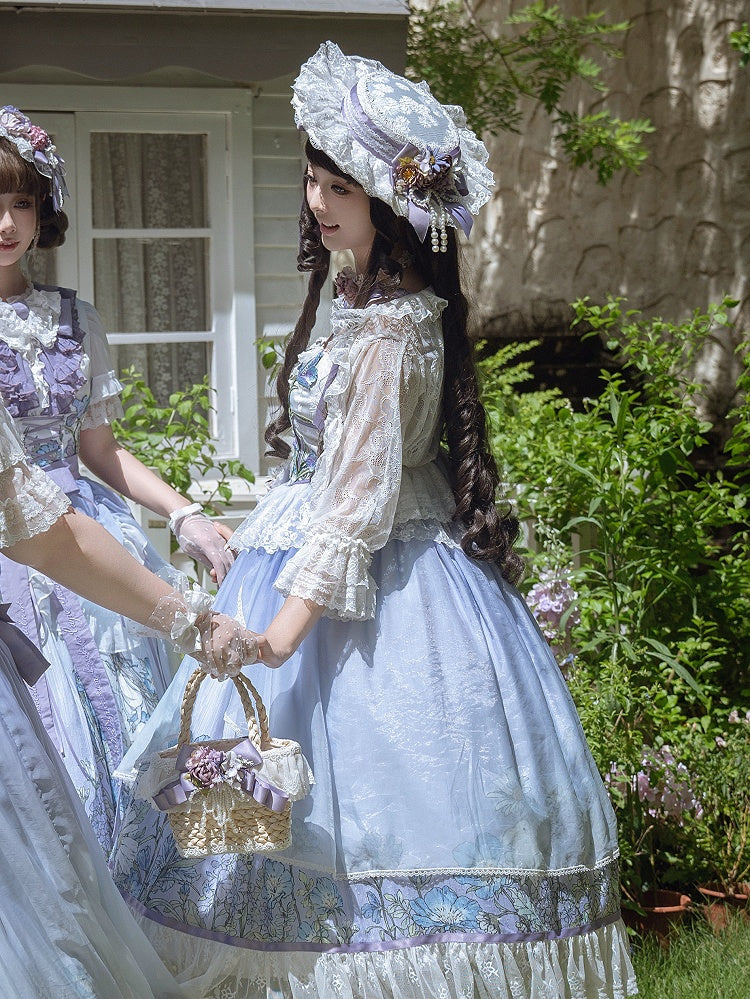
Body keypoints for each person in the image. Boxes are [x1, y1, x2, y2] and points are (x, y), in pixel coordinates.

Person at [110, 42, 638, 999]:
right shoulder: (353, 299)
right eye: (314, 181)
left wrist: (278, 636)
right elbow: (325, 478)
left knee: (383, 793)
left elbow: (356, 508)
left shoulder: (396, 326)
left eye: (339, 188)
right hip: (301, 556)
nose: (317, 202)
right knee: (262, 788)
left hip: (380, 587)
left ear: (388, 204)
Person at [0, 104, 234, 850]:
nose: (6, 223)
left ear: (43, 212)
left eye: (22, 202)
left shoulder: (76, 319)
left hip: (92, 535)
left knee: (126, 714)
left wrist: (186, 514)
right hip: (13, 542)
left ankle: (134, 880)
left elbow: (100, 452)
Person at [0, 386, 257, 998]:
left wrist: (184, 523)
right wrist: (194, 623)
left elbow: (63, 516)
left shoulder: (76, 335)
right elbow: (47, 539)